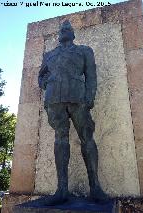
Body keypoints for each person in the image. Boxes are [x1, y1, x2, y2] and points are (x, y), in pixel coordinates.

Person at [38, 20, 109, 205]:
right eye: (62, 29)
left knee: (87, 138)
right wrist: (44, 82)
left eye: (68, 29)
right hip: (54, 100)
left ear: (73, 33)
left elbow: (91, 76)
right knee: (60, 138)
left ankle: (95, 187)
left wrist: (89, 99)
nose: (64, 31)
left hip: (78, 99)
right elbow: (41, 75)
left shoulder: (85, 51)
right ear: (59, 34)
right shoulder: (49, 55)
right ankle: (61, 190)